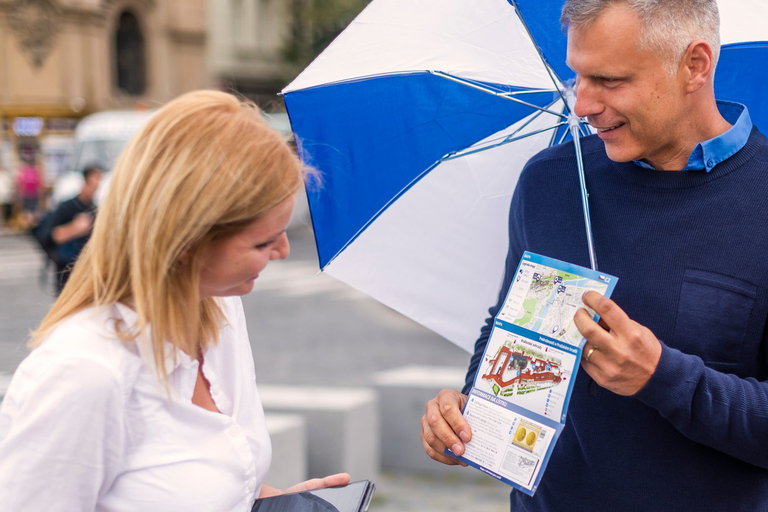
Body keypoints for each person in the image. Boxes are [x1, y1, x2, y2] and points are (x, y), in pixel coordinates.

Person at [421, 1, 768, 510]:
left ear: (695, 65)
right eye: (577, 76)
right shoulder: (549, 180)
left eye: (609, 80)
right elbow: (508, 328)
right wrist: (468, 411)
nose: (581, 104)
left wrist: (662, 377)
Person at [0, 90, 348, 510]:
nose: (282, 252)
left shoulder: (218, 307)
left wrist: (268, 502)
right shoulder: (85, 373)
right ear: (186, 241)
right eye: (262, 242)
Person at [46, 166, 102, 293]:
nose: (97, 185)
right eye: (95, 181)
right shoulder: (67, 206)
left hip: (88, 268)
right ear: (86, 181)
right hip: (67, 268)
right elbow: (53, 235)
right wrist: (75, 228)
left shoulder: (94, 208)